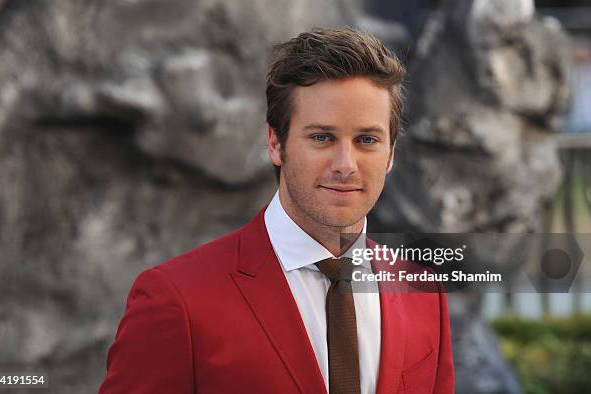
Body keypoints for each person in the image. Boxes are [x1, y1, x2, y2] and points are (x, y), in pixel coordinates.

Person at [99, 27, 454, 394]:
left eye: (367, 140)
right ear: (275, 143)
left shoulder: (424, 293)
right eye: (322, 137)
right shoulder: (176, 299)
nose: (345, 164)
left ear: (391, 153)